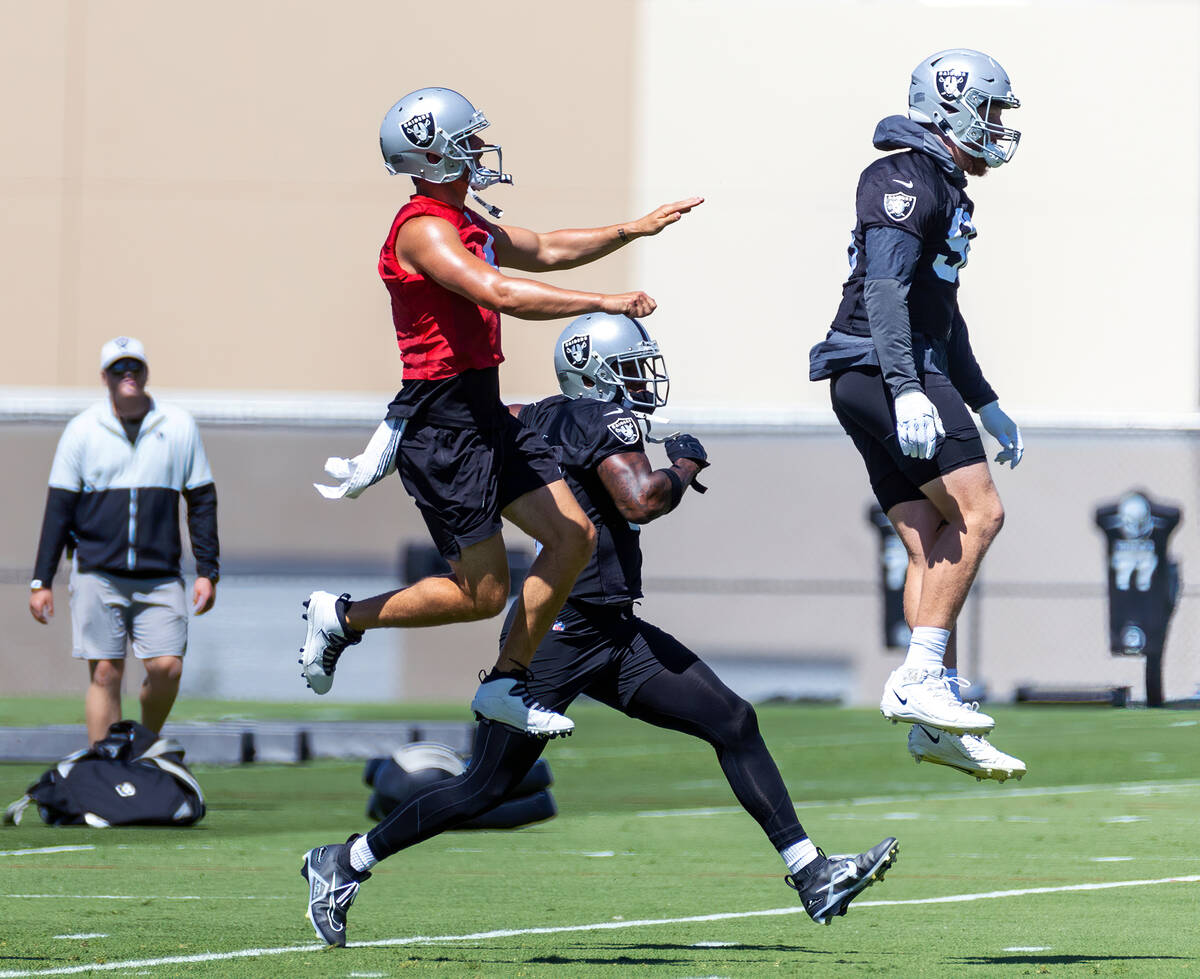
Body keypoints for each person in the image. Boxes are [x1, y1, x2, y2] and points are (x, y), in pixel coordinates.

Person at [299, 313, 898, 946]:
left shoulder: (540, 414)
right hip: (560, 633)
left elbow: (484, 423)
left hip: (609, 629)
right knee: (486, 786)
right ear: (593, 370)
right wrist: (687, 466)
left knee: (733, 721)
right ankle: (343, 863)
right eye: (631, 367)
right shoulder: (595, 418)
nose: (642, 380)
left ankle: (812, 873)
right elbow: (640, 498)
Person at [299, 87, 703, 739]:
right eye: (468, 141)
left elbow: (541, 247)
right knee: (479, 594)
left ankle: (506, 683)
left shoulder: (463, 219)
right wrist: (606, 300)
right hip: (442, 430)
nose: (481, 149)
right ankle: (342, 617)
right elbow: (500, 290)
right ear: (433, 156)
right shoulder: (425, 229)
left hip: (483, 414)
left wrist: (634, 228)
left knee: (574, 537)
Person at [809, 49, 1026, 782]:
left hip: (879, 369)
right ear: (951, 107)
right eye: (990, 112)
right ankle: (920, 678)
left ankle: (937, 720)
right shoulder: (903, 175)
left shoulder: (944, 184)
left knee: (934, 535)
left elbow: (942, 311)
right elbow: (884, 291)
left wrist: (986, 398)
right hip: (881, 365)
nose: (997, 128)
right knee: (982, 512)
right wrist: (905, 386)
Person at [29, 336, 219, 745]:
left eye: (134, 367)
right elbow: (59, 508)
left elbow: (201, 500)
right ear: (105, 377)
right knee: (105, 672)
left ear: (146, 373)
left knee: (167, 667)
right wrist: (41, 581)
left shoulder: (178, 425)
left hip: (160, 575)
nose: (127, 374)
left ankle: (142, 744)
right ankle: (104, 774)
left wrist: (208, 571)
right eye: (118, 368)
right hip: (97, 572)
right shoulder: (82, 430)